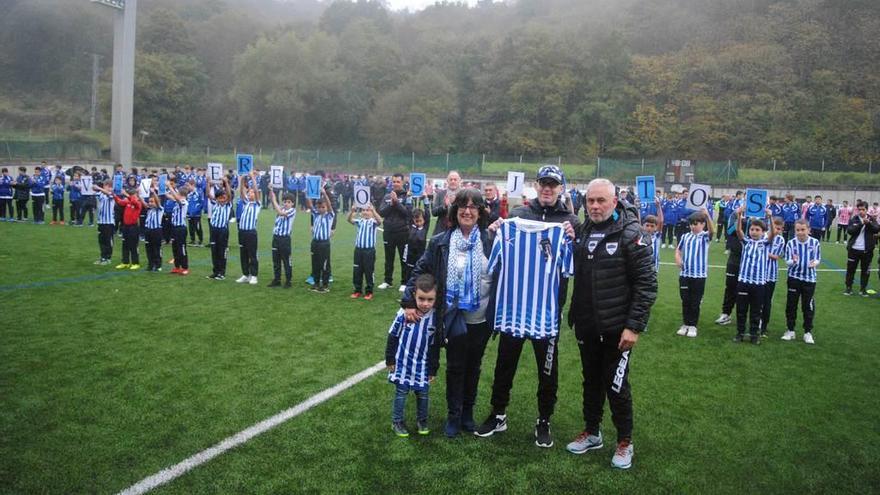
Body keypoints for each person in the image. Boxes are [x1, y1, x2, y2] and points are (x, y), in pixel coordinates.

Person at [475, 165, 578, 448]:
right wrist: (495, 230)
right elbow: (491, 259)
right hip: (514, 310)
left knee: (548, 371)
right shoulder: (517, 216)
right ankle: (498, 413)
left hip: (547, 314)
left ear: (561, 189)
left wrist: (573, 238)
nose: (547, 188)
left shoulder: (569, 221)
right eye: (543, 183)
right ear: (536, 185)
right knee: (504, 365)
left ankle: (544, 419)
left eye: (553, 184)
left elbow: (575, 264)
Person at [565, 178, 657, 470]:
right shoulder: (583, 230)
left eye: (600, 201)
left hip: (618, 329)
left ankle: (625, 441)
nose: (594, 206)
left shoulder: (632, 234)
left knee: (616, 385)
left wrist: (634, 326)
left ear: (614, 201)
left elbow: (647, 283)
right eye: (590, 201)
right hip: (587, 326)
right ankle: (592, 432)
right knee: (591, 382)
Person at [402, 188, 495, 438]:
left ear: (480, 211)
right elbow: (420, 270)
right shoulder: (441, 241)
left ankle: (468, 414)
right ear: (454, 211)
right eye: (462, 206)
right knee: (455, 366)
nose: (467, 211)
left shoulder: (491, 240)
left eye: (473, 206)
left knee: (473, 367)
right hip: (452, 317)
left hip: (481, 318)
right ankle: (454, 415)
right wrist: (408, 301)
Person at [385, 273, 438, 437]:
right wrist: (390, 358)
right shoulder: (404, 314)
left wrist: (433, 369)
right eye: (421, 298)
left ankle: (422, 420)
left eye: (430, 300)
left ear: (436, 299)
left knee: (423, 394)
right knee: (401, 392)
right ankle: (397, 421)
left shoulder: (435, 318)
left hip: (422, 365)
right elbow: (392, 335)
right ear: (414, 295)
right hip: (402, 363)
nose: (425, 303)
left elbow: (434, 346)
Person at [733, 205, 777, 344]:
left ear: (763, 232)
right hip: (744, 282)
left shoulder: (765, 243)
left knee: (756, 311)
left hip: (759, 284)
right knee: (741, 309)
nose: (754, 232)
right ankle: (740, 333)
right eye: (752, 229)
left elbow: (773, 233)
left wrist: (770, 216)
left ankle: (754, 335)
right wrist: (740, 215)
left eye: (757, 230)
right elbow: (738, 231)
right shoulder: (746, 242)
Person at [675, 209, 714, 338]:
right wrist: (678, 259)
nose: (693, 226)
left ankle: (693, 325)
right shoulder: (686, 236)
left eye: (696, 223)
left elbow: (712, 231)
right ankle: (685, 324)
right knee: (685, 300)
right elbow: (678, 250)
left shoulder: (704, 236)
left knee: (695, 302)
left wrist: (707, 215)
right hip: (685, 274)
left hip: (699, 276)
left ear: (703, 224)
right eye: (691, 223)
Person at [782, 219, 821, 344]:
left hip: (809, 279)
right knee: (791, 305)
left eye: (803, 229)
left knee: (807, 306)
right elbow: (787, 261)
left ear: (809, 230)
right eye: (798, 230)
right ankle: (790, 330)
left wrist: (813, 263)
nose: (800, 232)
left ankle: (807, 332)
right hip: (794, 278)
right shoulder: (790, 243)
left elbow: (817, 259)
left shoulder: (815, 243)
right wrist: (793, 261)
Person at [378, 173, 413, 291]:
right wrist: (392, 204)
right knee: (389, 258)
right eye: (394, 181)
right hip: (388, 231)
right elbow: (381, 212)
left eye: (398, 181)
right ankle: (388, 281)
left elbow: (407, 213)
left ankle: (404, 281)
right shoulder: (387, 196)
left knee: (404, 258)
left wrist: (396, 203)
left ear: (402, 183)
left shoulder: (407, 195)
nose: (395, 184)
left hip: (402, 232)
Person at [844, 201, 879, 296]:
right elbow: (850, 231)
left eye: (863, 209)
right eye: (859, 209)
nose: (861, 211)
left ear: (867, 210)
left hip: (867, 251)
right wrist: (861, 224)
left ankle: (863, 289)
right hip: (854, 250)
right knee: (850, 270)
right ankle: (848, 288)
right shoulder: (854, 219)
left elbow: (876, 229)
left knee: (866, 271)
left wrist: (868, 223)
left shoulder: (872, 219)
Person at [759, 217, 786, 337]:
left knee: (767, 301)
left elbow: (776, 256)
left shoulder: (780, 240)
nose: (777, 230)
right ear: (770, 226)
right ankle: (756, 323)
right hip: (758, 273)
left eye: (779, 229)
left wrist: (764, 252)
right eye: (775, 227)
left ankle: (764, 326)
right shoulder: (762, 235)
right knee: (757, 300)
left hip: (770, 275)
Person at [348, 203, 383, 299]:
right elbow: (349, 220)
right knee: (357, 271)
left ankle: (369, 291)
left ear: (371, 212)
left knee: (369, 271)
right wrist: (352, 211)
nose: (365, 212)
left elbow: (380, 221)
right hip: (358, 250)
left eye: (368, 210)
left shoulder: (373, 222)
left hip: (369, 251)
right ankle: (357, 290)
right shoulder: (359, 221)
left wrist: (374, 211)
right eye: (363, 210)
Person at [306, 187, 335, 293]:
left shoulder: (329, 216)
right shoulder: (316, 214)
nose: (321, 209)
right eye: (319, 207)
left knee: (324, 264)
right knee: (315, 264)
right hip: (315, 243)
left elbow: (330, 207)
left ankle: (325, 285)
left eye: (323, 207)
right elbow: (309, 205)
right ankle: (316, 283)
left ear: (326, 207)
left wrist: (324, 194)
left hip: (324, 244)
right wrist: (307, 194)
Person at [236, 171, 261, 285]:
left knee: (252, 254)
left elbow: (256, 190)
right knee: (243, 254)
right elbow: (241, 192)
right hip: (242, 232)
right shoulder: (245, 202)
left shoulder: (257, 204)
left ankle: (254, 275)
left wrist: (252, 178)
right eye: (249, 192)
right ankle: (245, 274)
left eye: (252, 193)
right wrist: (241, 179)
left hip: (251, 232)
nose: (250, 194)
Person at [267, 190, 296, 288]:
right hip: (276, 238)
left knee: (286, 260)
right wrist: (271, 190)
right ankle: (277, 279)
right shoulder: (282, 208)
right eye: (285, 201)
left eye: (289, 202)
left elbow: (279, 212)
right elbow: (273, 199)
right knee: (276, 260)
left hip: (284, 239)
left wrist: (275, 202)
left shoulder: (292, 211)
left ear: (292, 203)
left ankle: (288, 280)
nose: (286, 204)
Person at [113, 188, 144, 270]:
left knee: (133, 245)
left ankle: (135, 263)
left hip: (133, 227)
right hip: (125, 226)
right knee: (125, 245)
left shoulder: (138, 203)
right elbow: (120, 202)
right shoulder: (128, 202)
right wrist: (114, 195)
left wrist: (127, 195)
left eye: (132, 195)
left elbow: (134, 202)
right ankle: (125, 262)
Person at [165, 182, 190, 275]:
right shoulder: (177, 201)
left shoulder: (184, 202)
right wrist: (160, 189)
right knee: (175, 248)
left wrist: (170, 186)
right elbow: (169, 196)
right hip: (174, 228)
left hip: (181, 229)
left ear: (180, 194)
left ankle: (185, 267)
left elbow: (177, 198)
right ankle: (177, 266)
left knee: (181, 248)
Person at [403, 208, 431, 288]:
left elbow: (428, 216)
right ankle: (409, 289)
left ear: (424, 220)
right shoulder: (412, 227)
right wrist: (409, 199)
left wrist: (426, 200)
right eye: (416, 221)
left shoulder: (425, 228)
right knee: (409, 272)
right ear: (413, 220)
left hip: (420, 256)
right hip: (410, 255)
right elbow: (408, 214)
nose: (418, 223)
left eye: (420, 221)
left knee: (420, 273)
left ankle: (419, 288)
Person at [431, 170, 462, 235]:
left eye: (455, 179)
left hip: (458, 230)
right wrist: (444, 206)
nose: (453, 181)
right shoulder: (440, 194)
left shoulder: (464, 195)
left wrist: (455, 204)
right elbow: (434, 212)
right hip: (441, 230)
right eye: (451, 179)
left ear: (459, 181)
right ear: (447, 181)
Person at [93, 180, 116, 265]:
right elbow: (96, 193)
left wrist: (98, 188)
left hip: (109, 222)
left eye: (108, 186)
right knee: (101, 241)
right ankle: (103, 257)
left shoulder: (112, 195)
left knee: (108, 240)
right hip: (101, 221)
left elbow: (109, 194)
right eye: (105, 186)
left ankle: (108, 258)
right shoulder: (100, 194)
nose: (106, 187)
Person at [144, 187, 164, 272]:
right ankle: (150, 264)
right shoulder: (150, 210)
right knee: (149, 248)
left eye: (152, 202)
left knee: (156, 248)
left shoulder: (160, 209)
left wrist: (154, 193)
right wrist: (140, 196)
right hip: (148, 230)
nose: (150, 203)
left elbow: (158, 203)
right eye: (149, 201)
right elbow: (144, 204)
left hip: (156, 231)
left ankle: (158, 265)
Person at [186, 181, 204, 247]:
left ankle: (200, 240)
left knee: (198, 227)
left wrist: (197, 210)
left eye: (188, 186)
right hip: (190, 214)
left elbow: (202, 202)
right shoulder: (189, 194)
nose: (187, 187)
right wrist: (188, 211)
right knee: (191, 227)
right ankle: (192, 240)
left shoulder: (199, 192)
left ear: (193, 185)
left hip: (197, 214)